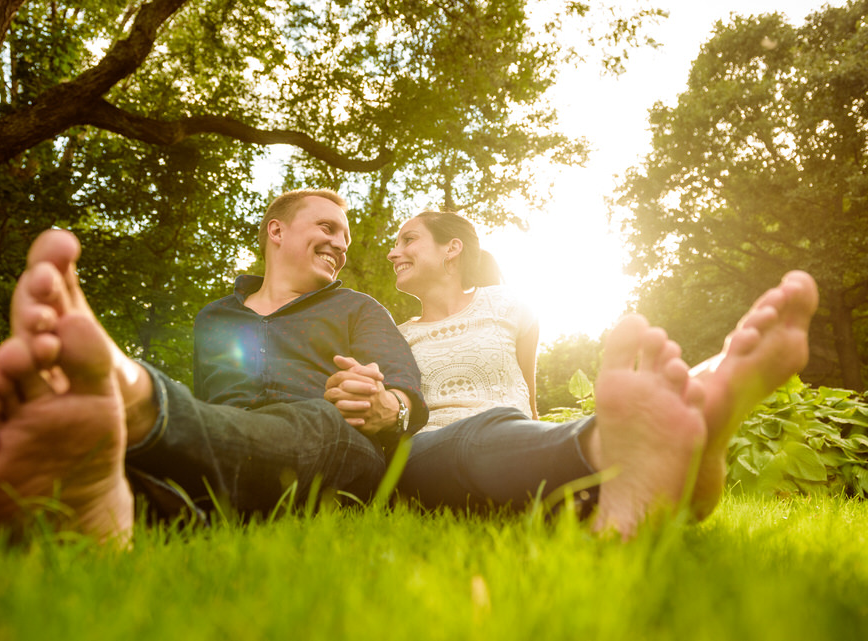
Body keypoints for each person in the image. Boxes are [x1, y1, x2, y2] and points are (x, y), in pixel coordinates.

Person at [0, 189, 428, 544]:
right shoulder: (214, 318)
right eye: (327, 228)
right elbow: (208, 408)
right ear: (277, 231)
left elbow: (405, 390)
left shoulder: (358, 307)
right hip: (231, 447)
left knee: (318, 420)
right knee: (205, 453)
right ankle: (102, 506)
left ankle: (139, 403)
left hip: (337, 449)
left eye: (345, 238)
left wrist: (388, 403)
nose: (340, 245)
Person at [324, 210, 818, 536]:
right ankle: (653, 433)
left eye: (407, 239)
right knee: (473, 438)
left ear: (452, 249)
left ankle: (678, 456)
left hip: (511, 437)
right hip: (427, 455)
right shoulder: (396, 333)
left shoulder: (513, 305)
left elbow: (526, 395)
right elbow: (393, 405)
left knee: (507, 439)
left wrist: (534, 432)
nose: (392, 252)